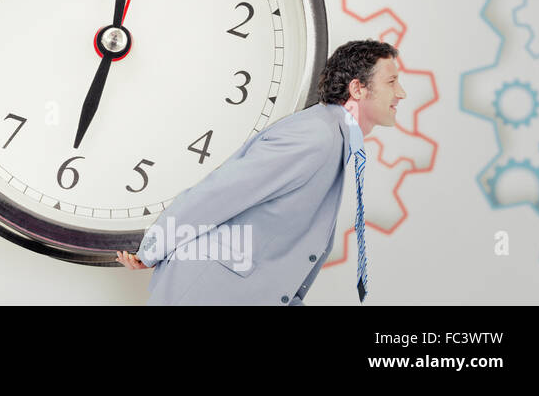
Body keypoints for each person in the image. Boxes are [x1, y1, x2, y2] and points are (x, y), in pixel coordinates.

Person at [116, 39, 406, 305]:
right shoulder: (316, 136)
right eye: (392, 82)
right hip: (207, 293)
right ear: (357, 89)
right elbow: (221, 192)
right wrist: (153, 248)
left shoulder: (333, 136)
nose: (401, 93)